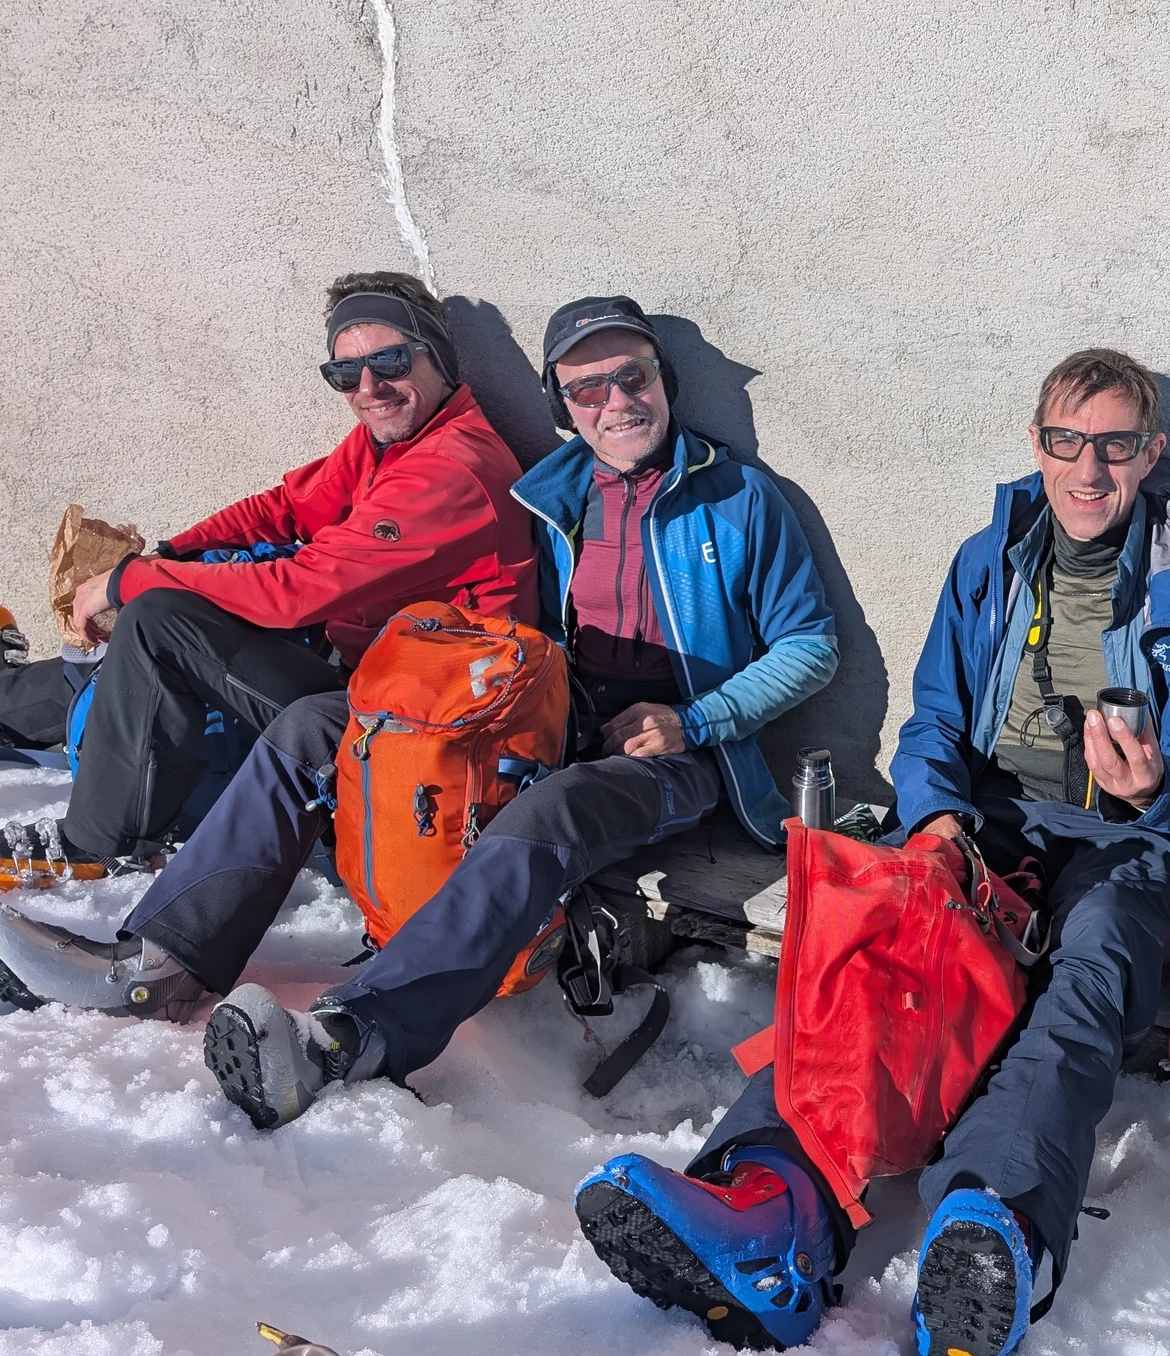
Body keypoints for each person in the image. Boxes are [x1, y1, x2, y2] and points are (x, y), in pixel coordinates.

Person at [574, 348, 1170, 1356]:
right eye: (1068, 442)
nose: (1089, 469)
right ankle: (769, 1204)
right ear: (1038, 443)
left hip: (1128, 845)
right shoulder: (991, 556)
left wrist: (1159, 788)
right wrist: (935, 816)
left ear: (1150, 454)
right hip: (988, 820)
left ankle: (996, 1227)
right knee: (871, 960)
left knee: (1088, 979)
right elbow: (934, 718)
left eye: (1116, 447)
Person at [0, 296, 839, 1083]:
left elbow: (811, 645)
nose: (616, 401)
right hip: (544, 709)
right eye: (587, 388)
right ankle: (164, 963)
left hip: (674, 752)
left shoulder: (738, 500)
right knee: (313, 727)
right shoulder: (557, 494)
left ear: (665, 382)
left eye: (634, 376)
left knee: (550, 814)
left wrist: (694, 719)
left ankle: (360, 1031)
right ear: (564, 405)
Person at [0, 271, 536, 880]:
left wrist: (133, 581)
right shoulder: (392, 442)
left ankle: (100, 841)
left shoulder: (450, 470)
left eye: (389, 360)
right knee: (137, 643)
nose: (369, 386)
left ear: (436, 357)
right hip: (363, 682)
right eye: (344, 373)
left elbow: (294, 593)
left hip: (409, 731)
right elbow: (282, 509)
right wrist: (173, 553)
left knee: (158, 622)